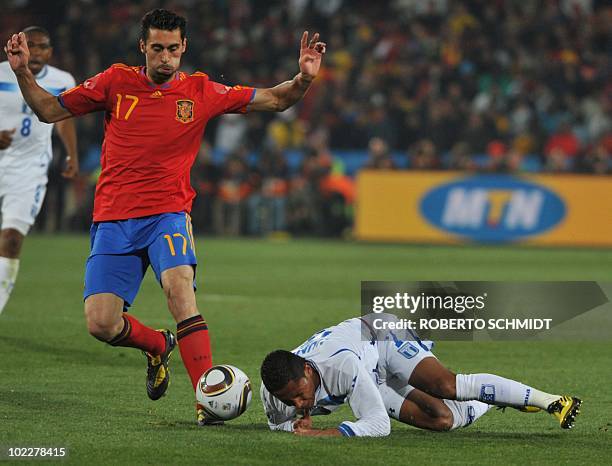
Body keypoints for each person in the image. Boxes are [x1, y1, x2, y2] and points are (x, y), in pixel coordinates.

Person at [4, 8, 326, 425]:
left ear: (184, 48)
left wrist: (303, 78)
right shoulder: (115, 82)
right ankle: (157, 345)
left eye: (173, 49)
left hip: (168, 214)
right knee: (101, 323)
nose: (165, 58)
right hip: (114, 218)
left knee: (180, 290)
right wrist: (24, 74)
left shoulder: (201, 90)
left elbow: (276, 98)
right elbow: (49, 110)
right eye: (157, 48)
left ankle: (206, 400)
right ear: (143, 47)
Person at [260, 316, 582, 437]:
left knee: (447, 386)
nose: (300, 402)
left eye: (301, 394)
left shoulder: (341, 366)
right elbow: (278, 424)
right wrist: (293, 424)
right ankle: (491, 400)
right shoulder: (273, 391)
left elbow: (377, 425)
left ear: (306, 369)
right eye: (291, 400)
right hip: (371, 373)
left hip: (382, 338)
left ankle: (550, 401)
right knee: (442, 420)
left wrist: (323, 433)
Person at [0, 26, 78, 315]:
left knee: (11, 238)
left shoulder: (62, 80)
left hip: (29, 169)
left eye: (43, 46)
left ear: (50, 51)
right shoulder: (0, 74)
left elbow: (65, 118)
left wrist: (72, 154)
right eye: (30, 45)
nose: (37, 51)